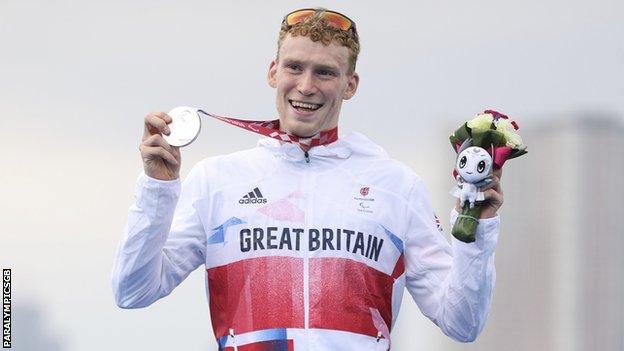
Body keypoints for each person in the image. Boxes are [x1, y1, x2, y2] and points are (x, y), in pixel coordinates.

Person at [112, 7, 504, 350]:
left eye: (325, 72)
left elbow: (462, 323)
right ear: (272, 71)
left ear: (350, 85)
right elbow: (133, 291)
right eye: (294, 67)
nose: (305, 86)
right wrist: (158, 189)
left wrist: (478, 226)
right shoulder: (218, 179)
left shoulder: (396, 186)